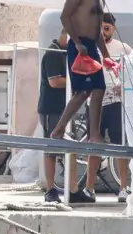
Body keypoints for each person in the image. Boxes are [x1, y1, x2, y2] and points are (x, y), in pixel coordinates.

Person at [49, 0, 108, 204]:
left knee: (100, 88)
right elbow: (65, 16)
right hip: (79, 44)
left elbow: (98, 31)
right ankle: (58, 129)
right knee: (83, 91)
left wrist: (106, 55)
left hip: (91, 46)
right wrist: (75, 42)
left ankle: (93, 134)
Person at [38, 33, 80, 204]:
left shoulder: (68, 53)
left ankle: (73, 189)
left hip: (67, 108)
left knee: (71, 147)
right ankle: (50, 189)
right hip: (51, 109)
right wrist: (75, 80)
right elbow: (54, 81)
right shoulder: (52, 53)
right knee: (51, 149)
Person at [98, 14, 130, 201]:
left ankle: (123, 187)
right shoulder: (91, 47)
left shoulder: (123, 48)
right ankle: (89, 188)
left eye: (107, 28)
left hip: (116, 101)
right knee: (93, 145)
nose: (103, 32)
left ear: (113, 28)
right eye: (101, 28)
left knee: (120, 145)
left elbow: (132, 72)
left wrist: (122, 85)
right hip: (95, 101)